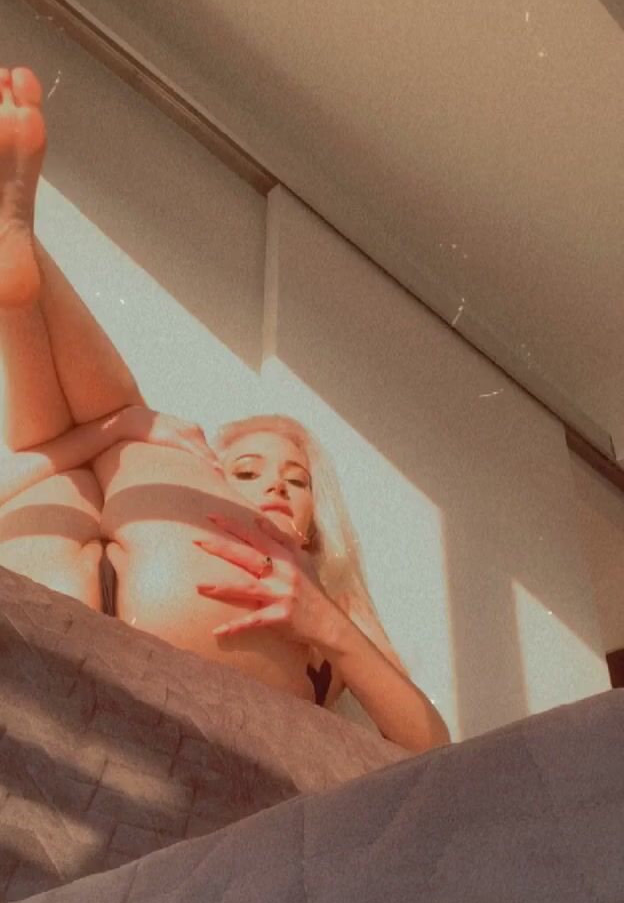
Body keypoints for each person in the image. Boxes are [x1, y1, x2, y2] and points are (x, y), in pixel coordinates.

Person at [0, 65, 450, 754]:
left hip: (162, 614)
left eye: (297, 480)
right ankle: (18, 252)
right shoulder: (129, 483)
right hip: (54, 579)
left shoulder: (329, 592)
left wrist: (325, 625)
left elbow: (432, 745)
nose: (275, 485)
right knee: (89, 442)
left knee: (104, 427)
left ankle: (19, 251)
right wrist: (119, 431)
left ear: (314, 522)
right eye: (244, 470)